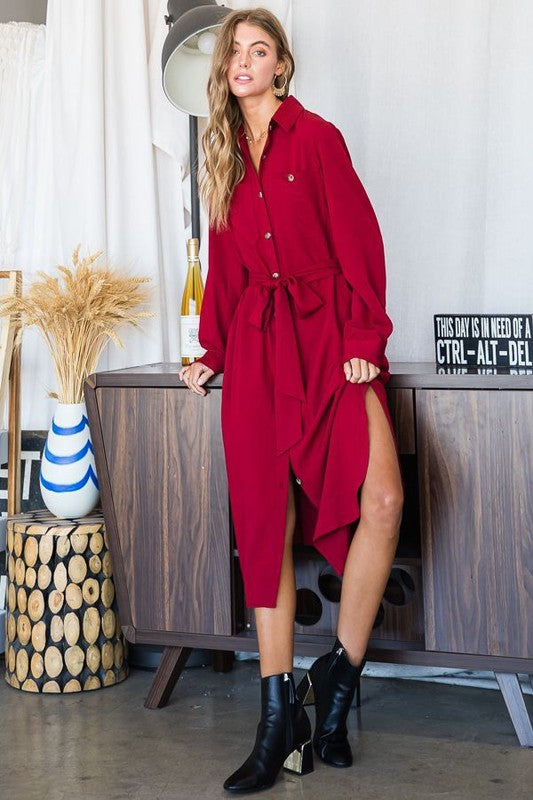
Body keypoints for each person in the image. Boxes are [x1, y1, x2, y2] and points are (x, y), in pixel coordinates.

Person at [178, 7, 404, 794]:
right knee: (262, 525)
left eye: (259, 49)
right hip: (256, 350)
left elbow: (359, 243)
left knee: (382, 499)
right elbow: (224, 270)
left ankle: (338, 676)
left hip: (330, 340)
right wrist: (212, 351)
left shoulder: (318, 139)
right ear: (224, 70)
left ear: (280, 65)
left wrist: (363, 338)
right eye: (233, 51)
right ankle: (277, 720)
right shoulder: (219, 156)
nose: (243, 60)